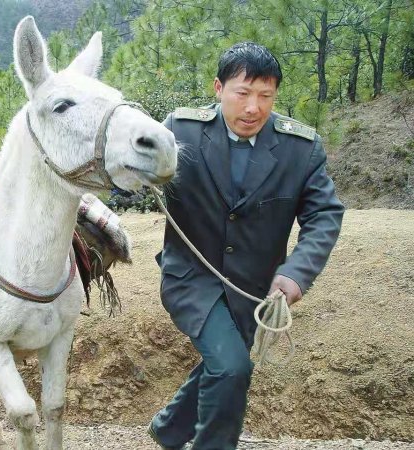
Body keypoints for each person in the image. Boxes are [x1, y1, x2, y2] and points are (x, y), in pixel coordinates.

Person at [148, 42, 345, 450]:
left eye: (265, 96)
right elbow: (133, 170)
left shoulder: (300, 149)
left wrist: (296, 273)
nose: (253, 107)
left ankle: (169, 429)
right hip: (190, 278)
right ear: (219, 88)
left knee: (226, 363)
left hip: (254, 288)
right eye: (243, 93)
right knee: (232, 367)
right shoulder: (180, 131)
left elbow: (324, 215)